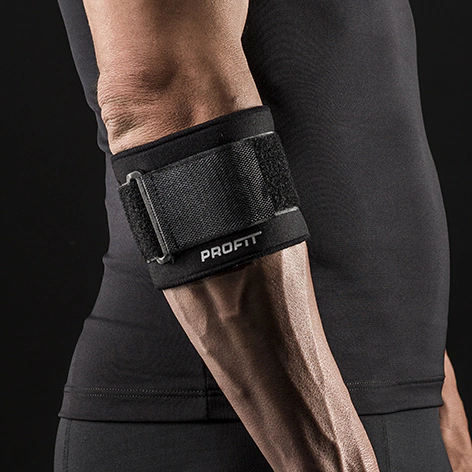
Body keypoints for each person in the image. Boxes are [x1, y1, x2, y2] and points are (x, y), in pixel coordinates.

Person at [54, 0, 472, 470]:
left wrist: (435, 398)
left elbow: (346, 103)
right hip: (230, 424)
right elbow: (166, 94)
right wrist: (329, 455)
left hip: (395, 405)